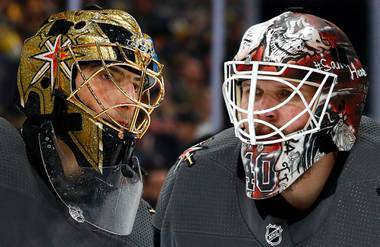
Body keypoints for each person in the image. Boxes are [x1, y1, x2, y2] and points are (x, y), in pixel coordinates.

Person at [154, 10, 380, 246]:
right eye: (254, 92)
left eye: (286, 93)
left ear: (338, 105)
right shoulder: (194, 179)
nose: (261, 111)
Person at [0, 6, 165, 247]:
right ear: (52, 79)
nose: (130, 100)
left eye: (137, 85)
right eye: (109, 76)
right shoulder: (5, 158)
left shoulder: (140, 225)